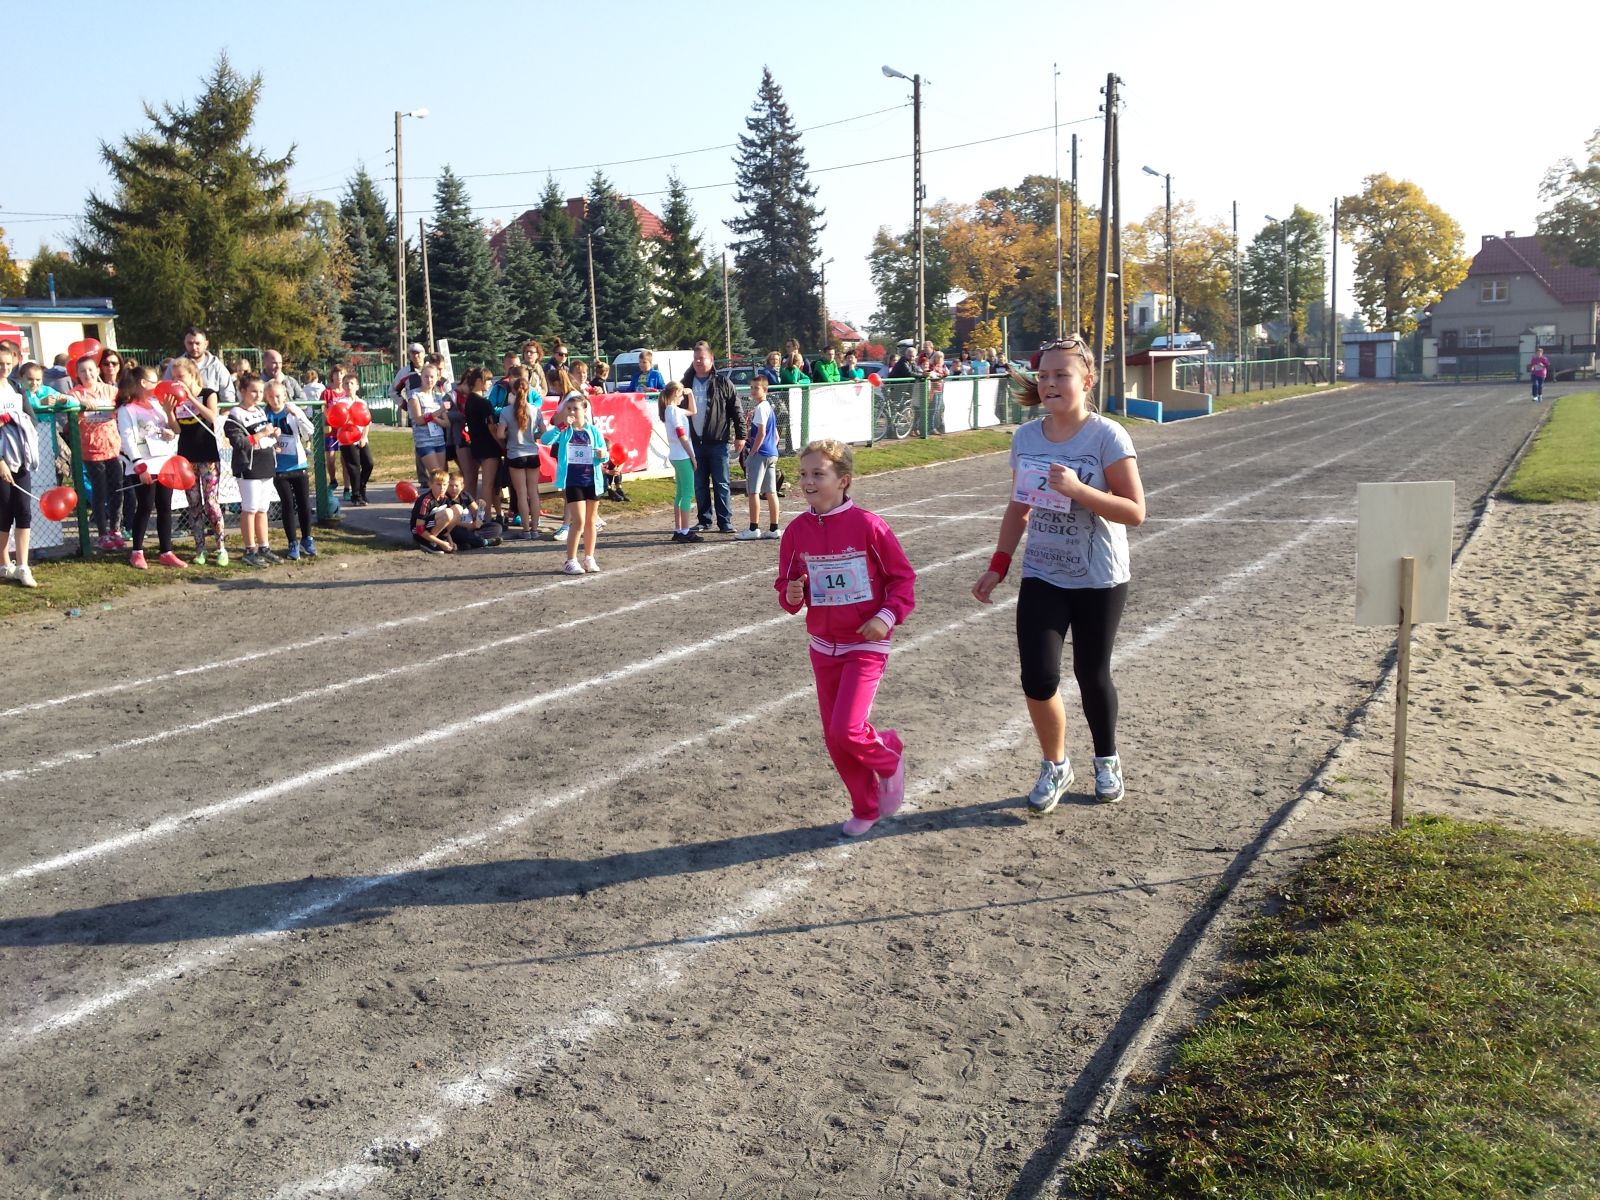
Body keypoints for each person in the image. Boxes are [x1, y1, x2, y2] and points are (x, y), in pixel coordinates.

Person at [971, 337, 1147, 812]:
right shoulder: (1026, 437)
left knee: (1091, 673)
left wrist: (1077, 489)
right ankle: (1056, 765)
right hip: (1043, 574)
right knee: (1038, 676)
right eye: (1043, 375)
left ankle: (1107, 759)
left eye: (1061, 375)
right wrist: (998, 565)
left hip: (1099, 577)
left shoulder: (1108, 436)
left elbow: (1135, 512)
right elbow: (1018, 508)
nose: (1049, 383)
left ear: (1087, 382)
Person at [774, 438, 916, 837]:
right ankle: (865, 807)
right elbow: (787, 585)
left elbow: (902, 579)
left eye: (818, 474)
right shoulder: (796, 532)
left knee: (847, 730)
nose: (808, 481)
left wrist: (885, 617)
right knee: (836, 740)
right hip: (823, 647)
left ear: (843, 480)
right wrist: (792, 593)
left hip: (866, 644)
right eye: (804, 474)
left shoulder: (869, 526)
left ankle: (888, 759)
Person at [116, 364, 186, 570]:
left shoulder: (157, 405)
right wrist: (140, 466)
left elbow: (175, 430)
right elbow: (128, 439)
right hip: (144, 464)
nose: (159, 385)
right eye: (154, 381)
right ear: (143, 383)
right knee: (145, 506)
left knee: (165, 506)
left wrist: (169, 424)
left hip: (164, 462)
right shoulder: (127, 410)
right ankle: (137, 551)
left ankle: (166, 551)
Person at [168, 357, 229, 565]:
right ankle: (200, 548)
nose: (177, 381)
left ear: (193, 375)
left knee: (211, 502)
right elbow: (177, 429)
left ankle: (221, 547)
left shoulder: (208, 393)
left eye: (181, 376)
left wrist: (191, 399)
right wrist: (169, 411)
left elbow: (212, 418)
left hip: (208, 455)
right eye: (174, 377)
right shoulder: (175, 399)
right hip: (187, 457)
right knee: (193, 504)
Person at [540, 393, 609, 575]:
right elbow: (545, 440)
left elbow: (604, 453)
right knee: (578, 521)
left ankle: (589, 557)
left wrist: (603, 454)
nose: (571, 412)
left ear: (584, 411)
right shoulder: (564, 431)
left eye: (575, 409)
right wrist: (561, 426)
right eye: (568, 409)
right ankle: (570, 560)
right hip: (573, 481)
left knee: (591, 521)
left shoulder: (593, 431)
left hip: (592, 481)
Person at [683, 339, 745, 534]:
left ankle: (725, 522)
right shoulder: (685, 383)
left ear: (711, 359)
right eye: (695, 358)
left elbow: (736, 410)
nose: (698, 362)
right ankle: (704, 520)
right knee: (700, 484)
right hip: (695, 443)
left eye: (701, 358)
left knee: (721, 483)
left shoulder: (723, 382)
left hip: (718, 442)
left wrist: (741, 435)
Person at [224, 374, 282, 566]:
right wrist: (262, 434)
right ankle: (250, 549)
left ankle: (264, 547)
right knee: (250, 508)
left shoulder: (259, 411)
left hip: (266, 463)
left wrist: (273, 436)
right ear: (242, 391)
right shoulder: (235, 415)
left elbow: (265, 436)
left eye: (260, 392)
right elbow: (239, 443)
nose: (258, 396)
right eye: (253, 391)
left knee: (263, 509)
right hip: (249, 466)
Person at [69, 352, 125, 552]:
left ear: (98, 370)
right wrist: (81, 406)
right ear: (77, 374)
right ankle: (102, 534)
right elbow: (66, 406)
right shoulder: (75, 394)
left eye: (91, 370)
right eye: (83, 371)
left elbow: (124, 404)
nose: (88, 374)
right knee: (99, 492)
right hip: (91, 450)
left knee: (117, 490)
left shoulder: (110, 390)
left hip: (113, 448)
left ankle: (115, 529)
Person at [0, 345, 40, 587]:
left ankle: (23, 565)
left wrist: (13, 419)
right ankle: (4, 563)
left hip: (20, 458)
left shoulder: (16, 388)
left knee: (24, 510)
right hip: (2, 461)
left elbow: (31, 419)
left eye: (7, 363)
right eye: (0, 364)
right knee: (4, 512)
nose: (4, 368)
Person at [263, 379, 317, 560]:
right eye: (271, 397)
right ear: (267, 398)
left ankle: (307, 538)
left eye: (278, 396)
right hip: (279, 468)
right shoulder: (265, 414)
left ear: (285, 395)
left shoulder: (292, 410)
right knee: (287, 504)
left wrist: (298, 415)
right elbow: (261, 438)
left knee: (304, 504)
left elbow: (310, 430)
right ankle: (292, 542)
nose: (275, 400)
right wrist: (272, 442)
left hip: (298, 465)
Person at [498, 366, 549, 541]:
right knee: (533, 492)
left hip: (515, 454)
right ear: (528, 392)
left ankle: (526, 529)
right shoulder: (535, 410)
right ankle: (535, 528)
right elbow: (543, 432)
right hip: (532, 453)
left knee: (521, 493)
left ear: (513, 391)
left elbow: (500, 434)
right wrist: (533, 435)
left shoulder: (506, 411)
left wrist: (510, 434)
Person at [458, 366, 505, 523]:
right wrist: (502, 444)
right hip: (489, 446)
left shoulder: (469, 401)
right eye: (488, 380)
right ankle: (485, 517)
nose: (490, 383)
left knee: (479, 483)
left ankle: (476, 515)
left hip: (476, 445)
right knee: (487, 485)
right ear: (479, 381)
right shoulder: (484, 403)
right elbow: (492, 427)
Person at [736, 375, 781, 540]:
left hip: (760, 454)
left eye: (757, 388)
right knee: (771, 492)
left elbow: (761, 433)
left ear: (765, 390)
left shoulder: (760, 408)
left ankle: (753, 528)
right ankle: (774, 528)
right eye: (752, 387)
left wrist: (752, 453)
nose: (753, 391)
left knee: (753, 491)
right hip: (771, 453)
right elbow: (775, 436)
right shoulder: (769, 407)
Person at [659, 381, 700, 544]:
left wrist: (690, 394)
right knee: (688, 493)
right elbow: (681, 435)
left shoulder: (670, 410)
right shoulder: (673, 411)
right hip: (682, 456)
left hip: (676, 455)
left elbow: (693, 411)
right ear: (676, 393)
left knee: (681, 493)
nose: (683, 397)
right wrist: (692, 456)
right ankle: (685, 530)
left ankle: (679, 529)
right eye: (681, 394)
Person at [164, 326, 237, 407]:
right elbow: (165, 394)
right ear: (184, 343)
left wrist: (219, 415)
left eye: (198, 343)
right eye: (190, 343)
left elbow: (228, 401)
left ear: (206, 344)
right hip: (181, 413)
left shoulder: (217, 367)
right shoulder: (173, 366)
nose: (194, 347)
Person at [407, 355, 451, 475]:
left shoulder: (438, 397)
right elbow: (419, 420)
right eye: (426, 376)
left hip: (439, 440)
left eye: (432, 377)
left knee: (442, 476)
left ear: (437, 378)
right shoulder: (414, 395)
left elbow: (446, 423)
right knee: (436, 475)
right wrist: (438, 412)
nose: (429, 380)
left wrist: (434, 418)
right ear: (421, 377)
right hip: (424, 441)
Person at [339, 373, 374, 507]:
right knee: (354, 467)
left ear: (357, 386)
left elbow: (366, 421)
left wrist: (364, 437)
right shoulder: (341, 403)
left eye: (352, 383)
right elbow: (339, 420)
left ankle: (361, 488)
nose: (349, 386)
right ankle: (356, 495)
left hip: (361, 438)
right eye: (346, 383)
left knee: (369, 463)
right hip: (347, 439)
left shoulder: (361, 402)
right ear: (343, 386)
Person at [444, 472, 502, 548]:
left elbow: (477, 514)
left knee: (497, 527)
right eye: (450, 486)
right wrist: (470, 526)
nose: (453, 489)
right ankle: (484, 542)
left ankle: (468, 542)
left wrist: (481, 506)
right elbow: (449, 522)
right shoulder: (445, 499)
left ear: (462, 486)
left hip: (472, 529)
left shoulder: (465, 496)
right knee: (457, 532)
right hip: (457, 527)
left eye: (456, 486)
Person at [410, 468, 460, 554]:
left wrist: (450, 541)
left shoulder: (445, 498)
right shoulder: (426, 500)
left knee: (458, 508)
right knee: (448, 513)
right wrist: (441, 543)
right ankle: (427, 542)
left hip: (433, 526)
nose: (442, 488)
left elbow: (448, 521)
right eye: (438, 484)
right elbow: (419, 528)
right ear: (430, 484)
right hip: (420, 532)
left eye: (445, 484)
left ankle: (442, 537)